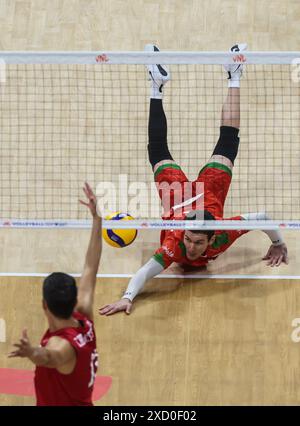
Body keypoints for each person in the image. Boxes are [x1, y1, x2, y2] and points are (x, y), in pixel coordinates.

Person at [99, 44, 288, 317]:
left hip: (176, 195)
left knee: (157, 149)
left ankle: (158, 84)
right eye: (189, 239)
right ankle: (233, 75)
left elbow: (264, 218)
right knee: (227, 141)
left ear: (211, 240)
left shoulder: (221, 233)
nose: (190, 246)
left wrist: (278, 242)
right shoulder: (177, 242)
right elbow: (145, 273)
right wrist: (127, 297)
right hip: (205, 190)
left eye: (197, 243)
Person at [9, 182, 101, 406]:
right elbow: (91, 265)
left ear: (44, 305)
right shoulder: (84, 316)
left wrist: (31, 352)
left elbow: (48, 357)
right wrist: (97, 220)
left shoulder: (61, 346)